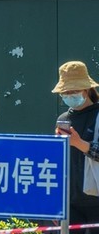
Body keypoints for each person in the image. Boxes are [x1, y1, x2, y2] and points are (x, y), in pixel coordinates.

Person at [51, 61, 99, 224]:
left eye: (74, 91)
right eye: (65, 92)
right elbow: (57, 164)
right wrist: (56, 202)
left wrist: (79, 143)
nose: (69, 95)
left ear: (86, 90)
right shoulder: (63, 120)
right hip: (70, 201)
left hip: (95, 199)